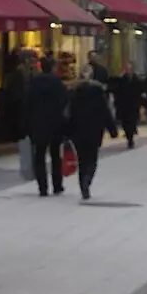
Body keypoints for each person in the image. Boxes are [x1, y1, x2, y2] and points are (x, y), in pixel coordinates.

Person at [68, 63, 117, 199]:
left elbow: (69, 113)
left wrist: (66, 131)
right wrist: (112, 129)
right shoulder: (98, 92)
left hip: (78, 131)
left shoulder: (74, 92)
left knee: (82, 159)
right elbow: (105, 112)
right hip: (94, 130)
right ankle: (87, 181)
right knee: (92, 159)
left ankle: (83, 183)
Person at [24, 55, 70, 196]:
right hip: (55, 124)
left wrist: (27, 124)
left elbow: (27, 105)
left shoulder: (33, 84)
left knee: (39, 156)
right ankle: (57, 185)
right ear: (53, 68)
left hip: (38, 124)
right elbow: (65, 102)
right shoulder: (58, 84)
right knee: (56, 155)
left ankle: (42, 187)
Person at [110, 62, 144, 148]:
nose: (127, 70)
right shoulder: (121, 80)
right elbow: (115, 88)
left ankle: (130, 138)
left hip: (133, 105)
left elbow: (141, 91)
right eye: (126, 69)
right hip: (124, 105)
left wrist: (141, 102)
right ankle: (128, 135)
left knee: (132, 122)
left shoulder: (137, 80)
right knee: (125, 123)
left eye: (129, 69)